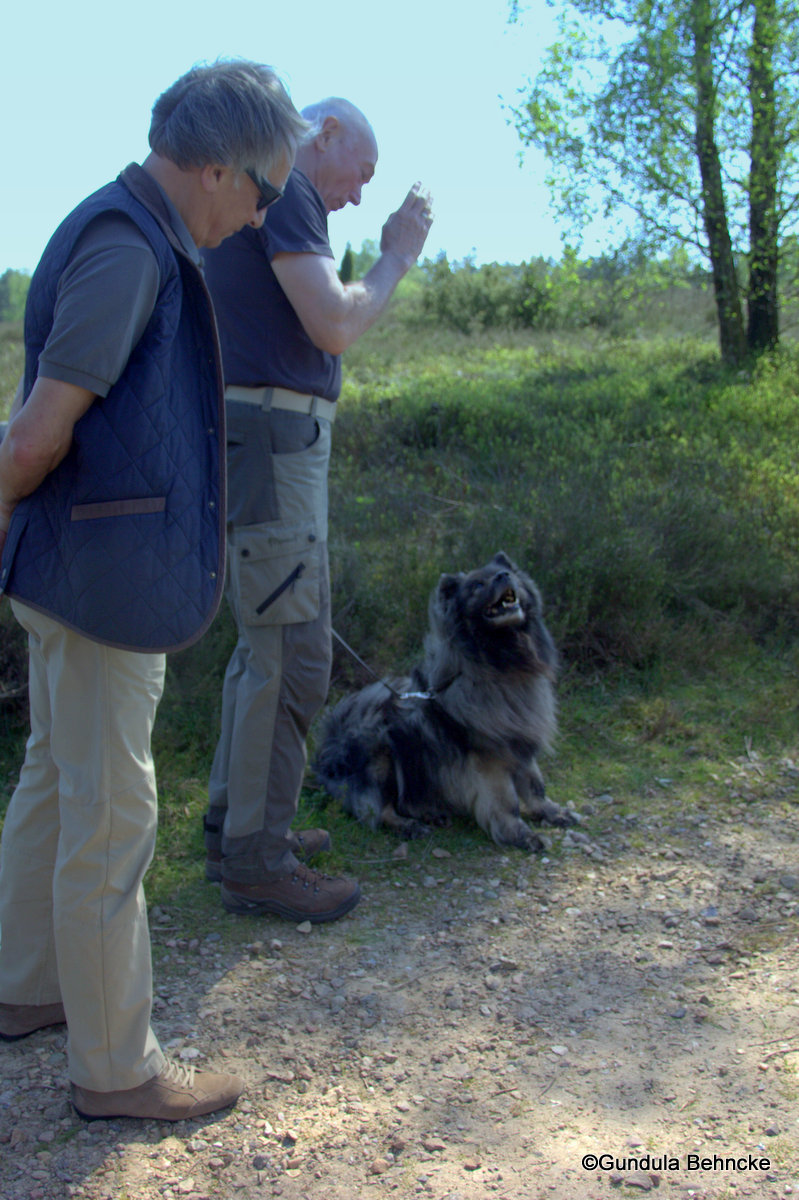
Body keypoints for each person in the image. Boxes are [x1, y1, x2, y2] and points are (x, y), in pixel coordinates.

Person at [0, 60, 306, 1122]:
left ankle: (26, 988)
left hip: (82, 572)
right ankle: (116, 1071)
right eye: (265, 192)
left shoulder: (128, 231)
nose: (262, 215)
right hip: (99, 584)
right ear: (218, 169)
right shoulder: (129, 247)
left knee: (55, 780)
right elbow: (36, 433)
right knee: (110, 813)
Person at [202, 97, 433, 923]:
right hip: (272, 438)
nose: (360, 194)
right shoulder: (292, 182)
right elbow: (334, 323)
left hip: (259, 435)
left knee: (263, 647)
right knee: (293, 652)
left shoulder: (267, 191)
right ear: (324, 134)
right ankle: (257, 862)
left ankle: (237, 828)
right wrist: (397, 256)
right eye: (360, 172)